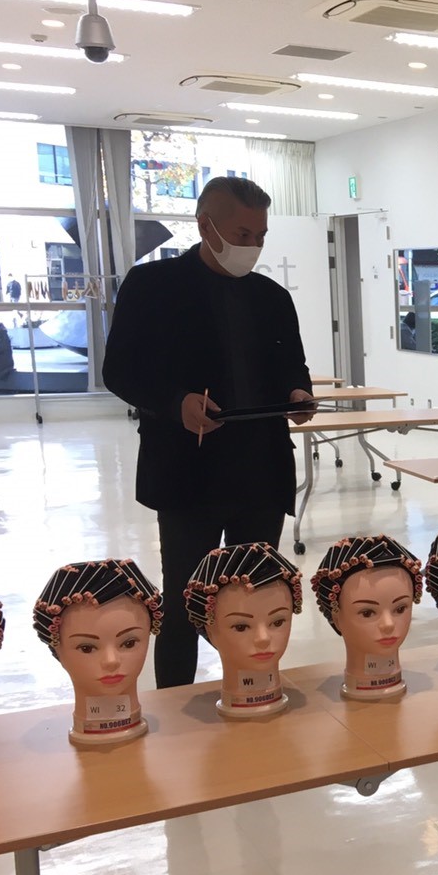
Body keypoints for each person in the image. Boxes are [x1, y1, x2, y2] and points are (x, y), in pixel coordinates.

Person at [103, 176, 315, 689]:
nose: (253, 246)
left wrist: (297, 394)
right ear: (206, 227)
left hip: (261, 472)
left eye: (260, 236)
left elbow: (293, 365)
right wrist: (175, 403)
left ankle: (254, 692)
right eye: (243, 235)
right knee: (183, 603)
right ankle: (175, 706)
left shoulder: (271, 297)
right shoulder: (152, 286)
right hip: (188, 473)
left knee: (256, 602)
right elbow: (120, 371)